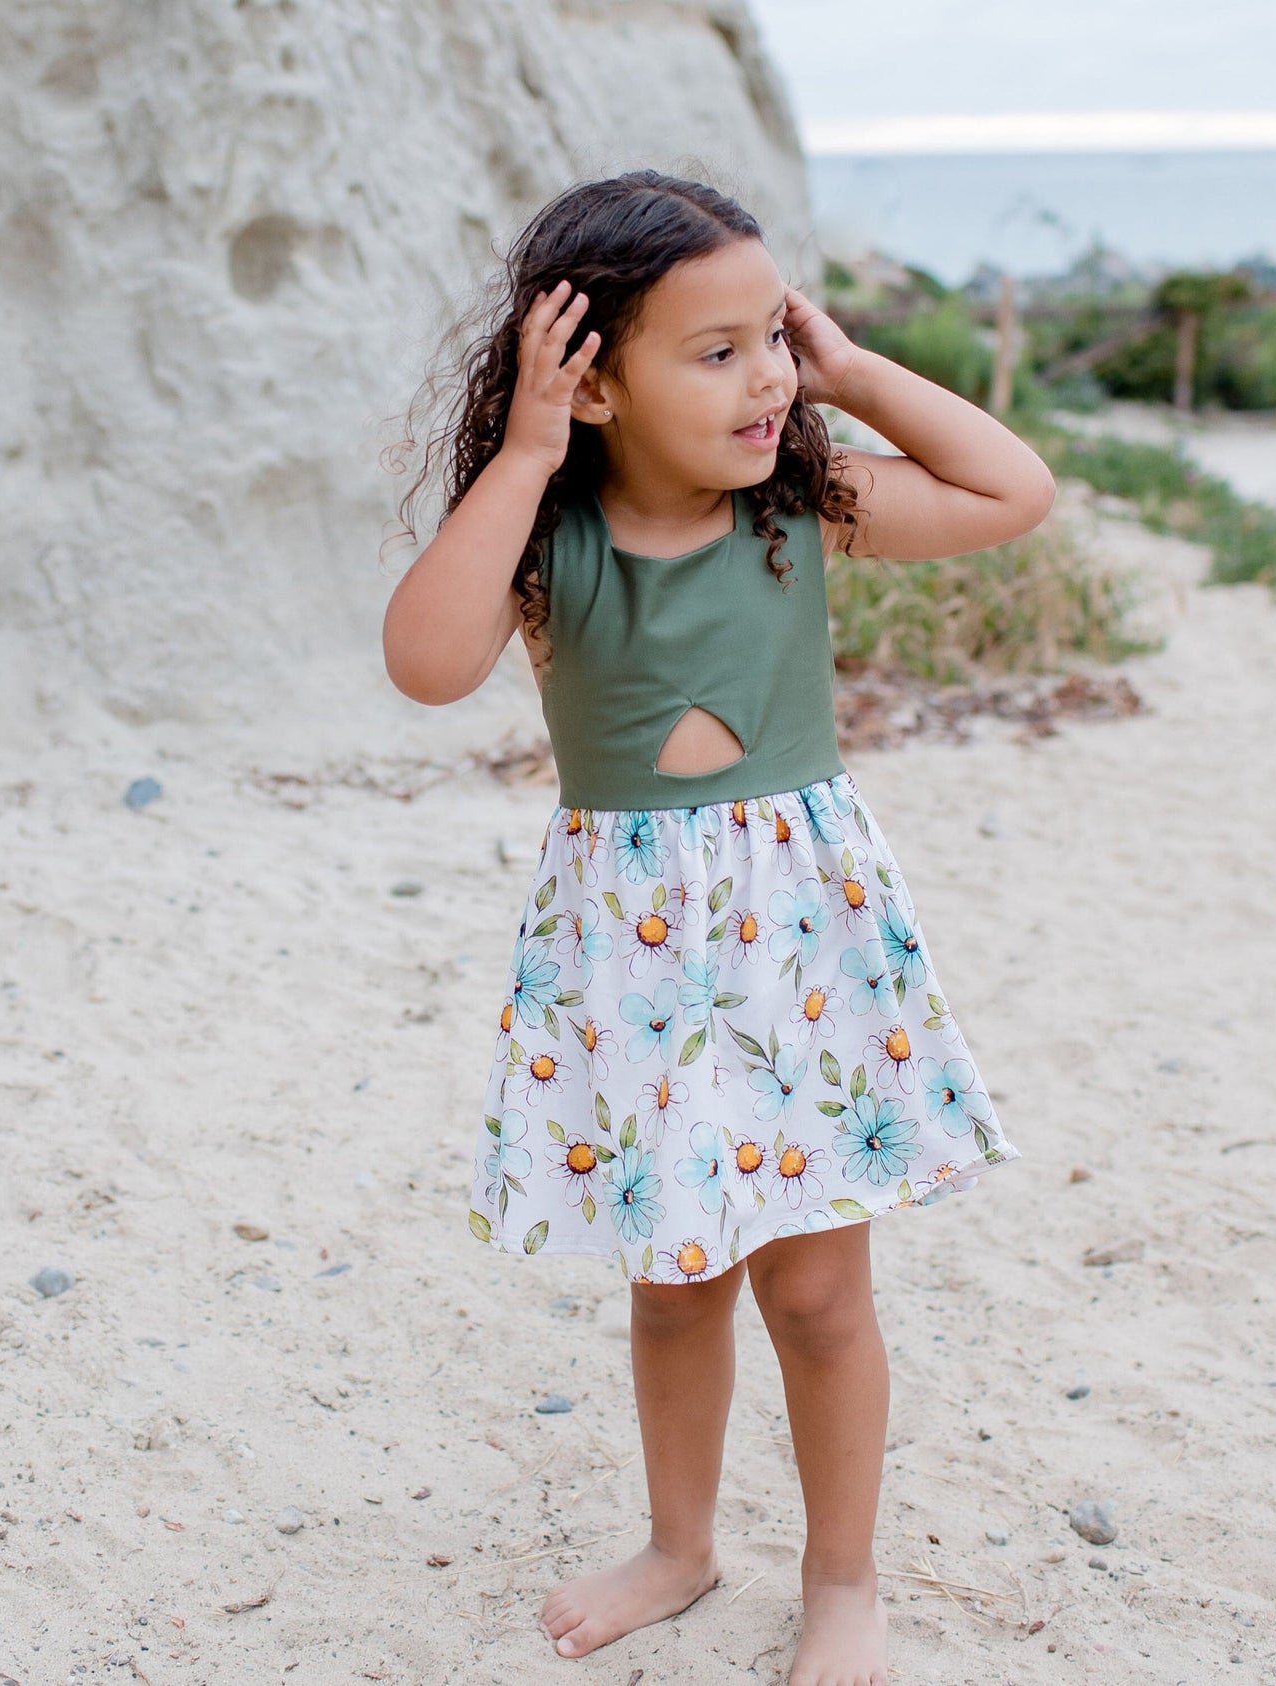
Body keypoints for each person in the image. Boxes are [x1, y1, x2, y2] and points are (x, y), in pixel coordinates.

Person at [382, 168, 1051, 1686]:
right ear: (595, 379)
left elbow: (1013, 491)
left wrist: (854, 367)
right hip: (629, 952)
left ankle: (842, 1578)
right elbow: (425, 663)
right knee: (674, 1276)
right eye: (717, 349)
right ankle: (679, 1545)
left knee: (816, 1288)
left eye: (774, 339)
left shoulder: (799, 509)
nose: (766, 379)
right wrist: (523, 450)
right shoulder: (548, 538)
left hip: (800, 941)